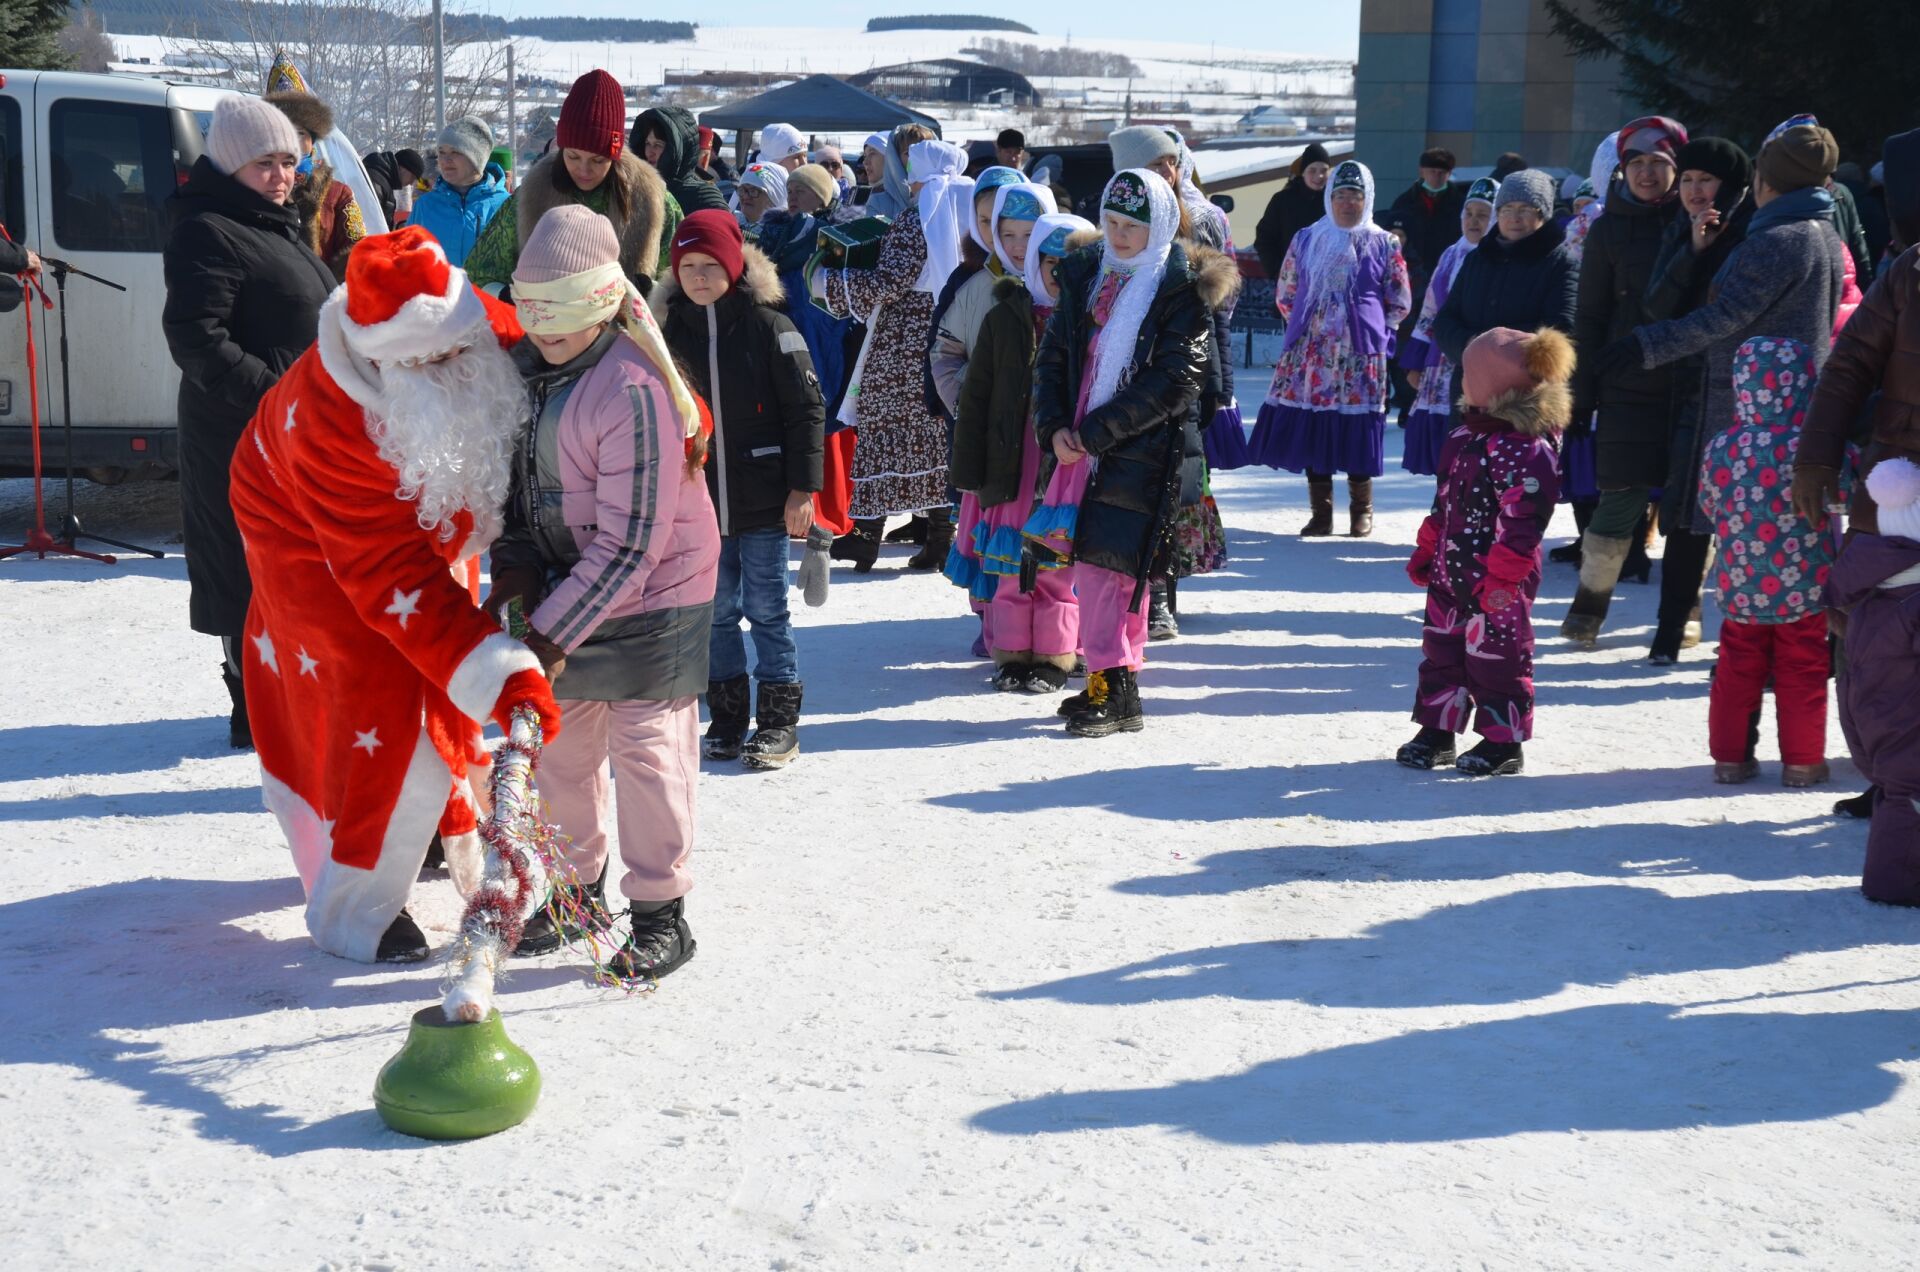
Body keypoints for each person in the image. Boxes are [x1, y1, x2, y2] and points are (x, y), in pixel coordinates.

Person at [227, 225, 559, 963]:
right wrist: (500, 671)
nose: (449, 363)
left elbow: (567, 329)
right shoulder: (330, 424)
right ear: (382, 358)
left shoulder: (472, 324)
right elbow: (391, 579)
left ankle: (458, 822)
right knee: (378, 689)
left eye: (456, 350)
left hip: (425, 519)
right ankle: (359, 904)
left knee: (446, 655)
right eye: (425, 360)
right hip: (303, 532)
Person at [486, 207, 718, 978]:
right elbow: (515, 499)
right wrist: (515, 575)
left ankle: (661, 912)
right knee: (563, 756)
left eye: (562, 315)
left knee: (648, 756)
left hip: (655, 594)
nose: (545, 332)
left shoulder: (633, 387)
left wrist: (547, 638)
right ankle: (575, 896)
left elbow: (631, 544)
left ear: (597, 303)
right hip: (568, 591)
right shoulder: (532, 375)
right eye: (534, 315)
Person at [1596, 118, 1849, 647]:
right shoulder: (1819, 229)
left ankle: (1747, 650)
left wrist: (1643, 345)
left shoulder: (1779, 238)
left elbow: (1724, 316)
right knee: (1770, 528)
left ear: (1767, 180)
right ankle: (1756, 645)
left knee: (1744, 529)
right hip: (1784, 404)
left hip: (1752, 405)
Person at [162, 95, 337, 751]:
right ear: (232, 162)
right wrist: (276, 398)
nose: (282, 176)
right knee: (247, 572)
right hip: (242, 436)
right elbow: (196, 338)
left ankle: (290, 696)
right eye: (266, 162)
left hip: (294, 433)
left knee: (289, 569)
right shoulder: (207, 228)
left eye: (289, 161)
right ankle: (255, 708)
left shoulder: (272, 223)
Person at [1028, 169, 1218, 736]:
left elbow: (1176, 379)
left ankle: (1112, 686)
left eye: (1132, 226)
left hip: (1140, 446)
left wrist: (1097, 432)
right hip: (1080, 442)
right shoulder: (1088, 272)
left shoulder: (1179, 287)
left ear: (1159, 224)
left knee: (1111, 567)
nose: (1118, 235)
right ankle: (1116, 682)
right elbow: (1055, 356)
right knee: (1102, 565)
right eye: (1110, 222)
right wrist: (1054, 425)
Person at [656, 211, 824, 768]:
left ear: (733, 266)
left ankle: (779, 722)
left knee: (767, 609)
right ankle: (727, 717)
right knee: (716, 611)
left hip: (764, 500)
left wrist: (802, 488)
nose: (699, 277)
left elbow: (806, 411)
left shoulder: (770, 328)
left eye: (710, 266)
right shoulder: (666, 334)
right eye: (688, 267)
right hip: (699, 504)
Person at [1398, 325, 1571, 777]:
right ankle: (1437, 731)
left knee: (1498, 655)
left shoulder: (1527, 449)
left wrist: (1504, 577)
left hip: (1500, 577)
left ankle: (1503, 740)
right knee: (1441, 650)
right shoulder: (1464, 437)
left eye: (1470, 374)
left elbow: (1524, 523)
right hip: (1450, 568)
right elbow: (1443, 503)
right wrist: (1428, 547)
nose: (1463, 382)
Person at [951, 211, 1098, 690]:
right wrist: (970, 465)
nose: (1057, 275)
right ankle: (1012, 656)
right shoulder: (1005, 317)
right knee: (1011, 565)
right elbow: (976, 396)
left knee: (1056, 566)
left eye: (1068, 264)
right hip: (1012, 464)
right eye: (1048, 263)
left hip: (1065, 465)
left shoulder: (1091, 323)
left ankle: (1055, 657)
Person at [1560, 116, 1690, 647]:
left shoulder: (1698, 222)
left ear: (1677, 170)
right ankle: (1588, 611)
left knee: (1687, 505)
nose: (1646, 173)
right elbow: (1587, 315)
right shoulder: (1608, 228)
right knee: (1620, 497)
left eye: (1658, 163)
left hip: (1690, 381)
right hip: (1625, 381)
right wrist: (1582, 391)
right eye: (1635, 164)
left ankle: (1684, 618)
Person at [1695, 337, 1843, 787]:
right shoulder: (1814, 447)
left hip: (1742, 581)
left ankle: (1729, 761)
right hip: (1806, 582)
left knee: (1737, 668)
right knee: (1803, 667)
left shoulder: (1724, 444)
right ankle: (1802, 762)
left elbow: (1708, 503)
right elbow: (1844, 494)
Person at [1248, 159, 1413, 537]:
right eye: (1339, 195)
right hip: (1313, 354)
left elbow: (1399, 297)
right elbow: (1287, 292)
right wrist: (1312, 327)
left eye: (1355, 196)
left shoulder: (1383, 243)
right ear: (1329, 198)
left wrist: (1381, 331)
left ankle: (1361, 511)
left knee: (1357, 427)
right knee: (1316, 425)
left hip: (1360, 354)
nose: (1347, 203)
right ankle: (1321, 513)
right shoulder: (1307, 239)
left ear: (1367, 198)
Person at [812, 123, 950, 570]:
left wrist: (830, 281)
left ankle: (868, 535)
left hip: (903, 339)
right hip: (936, 334)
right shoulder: (954, 209)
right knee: (931, 435)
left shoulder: (917, 215)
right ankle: (939, 537)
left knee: (881, 425)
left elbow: (890, 282)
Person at [1643, 136, 1756, 663]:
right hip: (1689, 387)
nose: (1693, 190)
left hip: (1743, 390)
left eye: (1704, 180)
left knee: (1737, 516)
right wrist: (1692, 251)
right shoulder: (1679, 231)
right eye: (1686, 180)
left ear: (1729, 185)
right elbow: (1656, 306)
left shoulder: (1755, 232)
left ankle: (1735, 638)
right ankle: (1670, 630)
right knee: (1684, 510)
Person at [1796, 125, 1920, 536]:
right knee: (1877, 596)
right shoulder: (1909, 272)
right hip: (1902, 484)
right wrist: (1817, 457)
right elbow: (1850, 363)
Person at [466, 70, 676, 299]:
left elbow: (681, 277)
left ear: (614, 155)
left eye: (598, 160)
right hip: (545, 329)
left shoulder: (651, 200)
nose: (584, 170)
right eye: (573, 157)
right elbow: (479, 272)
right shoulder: (532, 195)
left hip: (622, 331)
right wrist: (509, 295)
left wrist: (652, 293)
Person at [1828, 457, 1920, 906]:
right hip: (1909, 728)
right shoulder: (1915, 600)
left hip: (1875, 723)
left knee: (1899, 801)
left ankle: (1891, 880)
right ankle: (1895, 888)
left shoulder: (1876, 591)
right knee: (1909, 806)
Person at [1401, 177, 1496, 476]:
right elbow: (1430, 308)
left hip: (1483, 363)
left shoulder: (1500, 259)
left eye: (1483, 215)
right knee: (1445, 448)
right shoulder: (1452, 254)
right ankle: (1445, 509)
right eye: (1469, 213)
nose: (1474, 221)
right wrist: (1416, 361)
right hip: (1442, 362)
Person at [266, 90, 365, 278]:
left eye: (299, 133)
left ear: (312, 140)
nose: (291, 141)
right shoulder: (259, 186)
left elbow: (358, 248)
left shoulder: (338, 194)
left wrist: (329, 285)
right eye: (283, 132)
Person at [409, 115, 510, 268]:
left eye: (455, 152)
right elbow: (407, 259)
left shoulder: (506, 206)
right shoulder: (425, 205)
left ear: (476, 157)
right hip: (437, 292)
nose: (445, 160)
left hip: (485, 292)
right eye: (441, 152)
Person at [1383, 147, 1465, 297]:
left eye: (1442, 173)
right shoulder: (1405, 202)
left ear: (1449, 174)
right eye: (1432, 171)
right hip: (1410, 276)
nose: (1436, 176)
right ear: (1422, 171)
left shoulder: (1460, 205)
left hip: (1447, 273)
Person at [633, 104, 730, 214]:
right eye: (647, 143)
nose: (649, 152)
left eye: (658, 145)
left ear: (677, 149)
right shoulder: (639, 189)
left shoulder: (703, 197)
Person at [1255, 143, 1331, 280]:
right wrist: (1277, 271)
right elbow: (1264, 238)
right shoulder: (1283, 200)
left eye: (1324, 170)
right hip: (1290, 280)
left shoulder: (1335, 201)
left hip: (1327, 280)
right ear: (1303, 172)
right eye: (1312, 170)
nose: (1319, 176)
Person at [361, 147, 425, 228]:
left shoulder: (384, 181)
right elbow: (369, 224)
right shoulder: (377, 182)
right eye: (412, 177)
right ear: (403, 168)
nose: (411, 183)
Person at [734, 162, 788, 229]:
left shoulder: (785, 235)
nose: (745, 196)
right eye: (742, 190)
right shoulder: (729, 224)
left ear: (774, 198)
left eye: (753, 191)